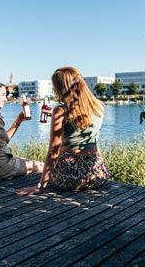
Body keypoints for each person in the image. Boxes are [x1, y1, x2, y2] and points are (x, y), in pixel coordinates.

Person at [16, 67, 109, 196]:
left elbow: (54, 151)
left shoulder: (60, 110)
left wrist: (40, 187)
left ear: (62, 88)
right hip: (97, 175)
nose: (54, 90)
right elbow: (91, 136)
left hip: (70, 177)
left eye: (55, 87)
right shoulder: (99, 106)